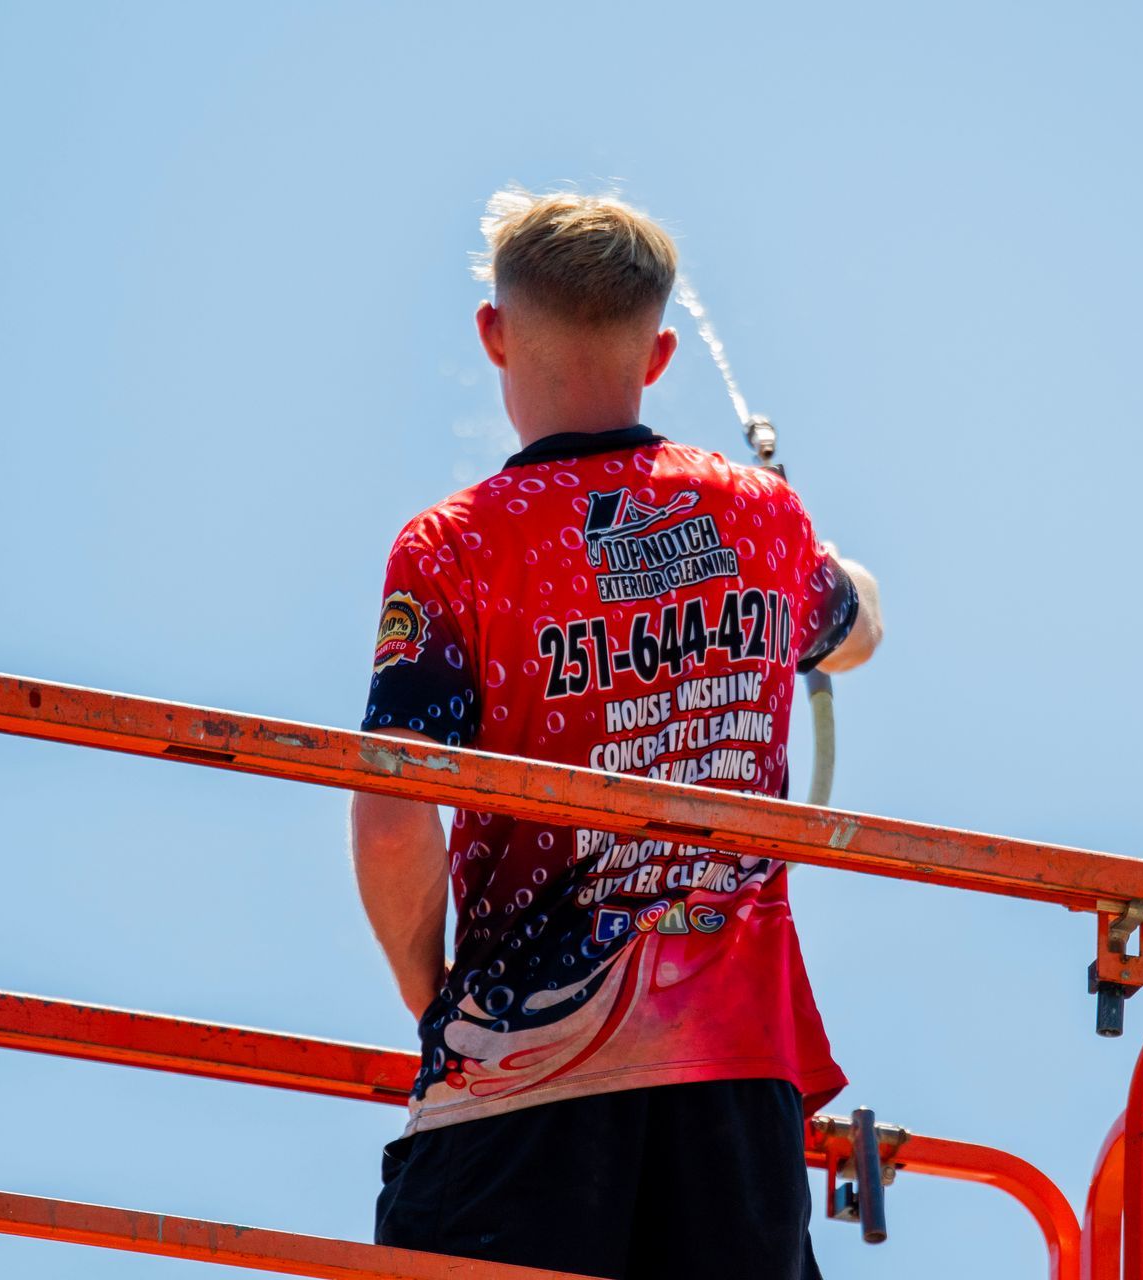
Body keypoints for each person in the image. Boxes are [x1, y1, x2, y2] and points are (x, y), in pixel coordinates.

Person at [350, 188, 884, 1279]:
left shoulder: (452, 549)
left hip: (521, 1080)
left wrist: (438, 1002)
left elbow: (393, 818)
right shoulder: (761, 519)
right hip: (733, 1087)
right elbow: (858, 623)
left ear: (496, 331)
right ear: (661, 353)